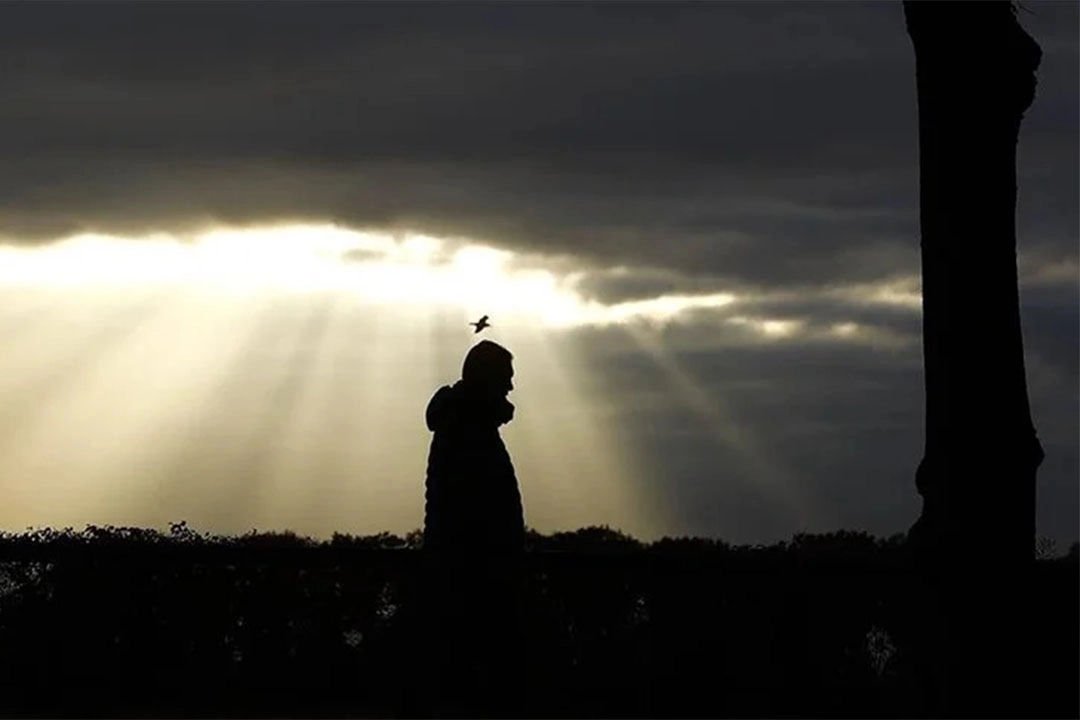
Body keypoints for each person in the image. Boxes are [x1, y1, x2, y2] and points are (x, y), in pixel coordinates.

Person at [418, 340, 525, 716]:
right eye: (506, 379)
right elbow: (478, 516)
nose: (511, 388)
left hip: (464, 586)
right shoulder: (469, 433)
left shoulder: (460, 426)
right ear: (488, 380)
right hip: (474, 591)